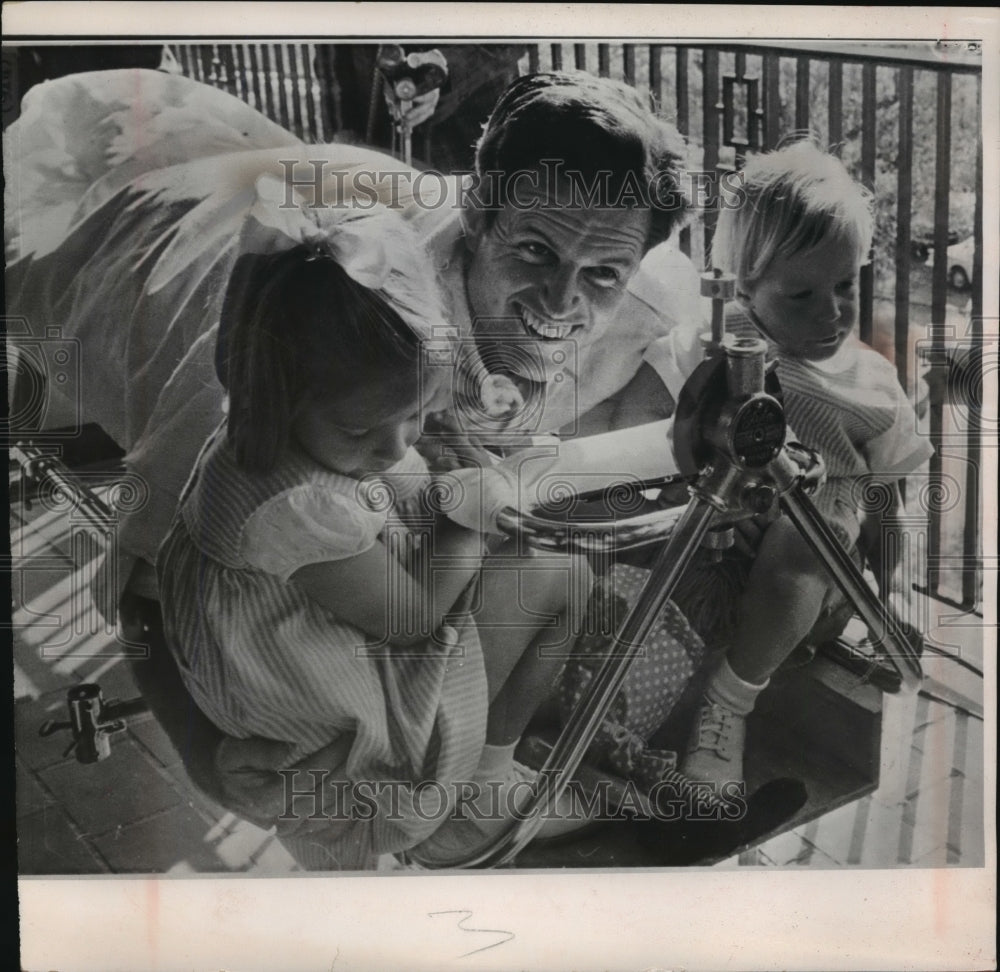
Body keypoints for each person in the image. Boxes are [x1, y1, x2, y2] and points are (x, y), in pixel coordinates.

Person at [5, 66, 702, 837]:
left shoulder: (641, 278)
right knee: (79, 176)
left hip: (320, 173)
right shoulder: (281, 370)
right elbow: (144, 567)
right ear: (477, 216)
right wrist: (204, 750)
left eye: (602, 274)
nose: (564, 303)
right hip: (155, 229)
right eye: (534, 253)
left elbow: (715, 347)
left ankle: (491, 782)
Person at [154, 180, 589, 869]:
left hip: (302, 679)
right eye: (362, 428)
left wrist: (428, 435)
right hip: (352, 746)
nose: (393, 447)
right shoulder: (296, 508)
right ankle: (470, 792)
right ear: (281, 395)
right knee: (559, 575)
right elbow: (413, 617)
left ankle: (476, 780)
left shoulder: (271, 433)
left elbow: (392, 458)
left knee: (519, 558)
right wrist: (469, 523)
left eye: (412, 412)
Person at [620, 141, 933, 786]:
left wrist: (892, 590)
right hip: (709, 538)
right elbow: (644, 423)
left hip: (813, 560)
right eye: (801, 295)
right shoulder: (712, 340)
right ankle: (613, 733)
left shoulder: (871, 385)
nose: (833, 311)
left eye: (846, 285)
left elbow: (884, 498)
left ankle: (728, 705)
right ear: (746, 284)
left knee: (805, 541)